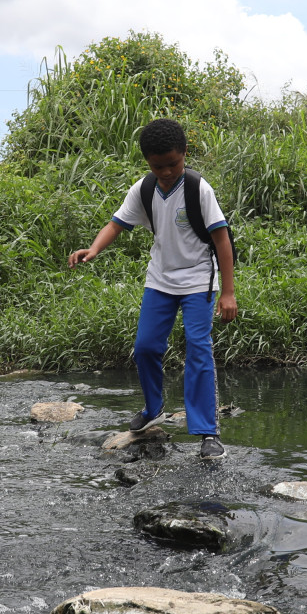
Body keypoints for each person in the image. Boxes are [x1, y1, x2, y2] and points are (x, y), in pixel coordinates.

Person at [67, 118, 238, 460]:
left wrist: (228, 292)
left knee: (198, 349)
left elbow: (221, 239)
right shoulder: (143, 189)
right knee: (145, 347)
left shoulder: (198, 189)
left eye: (173, 164)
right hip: (160, 280)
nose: (167, 172)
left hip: (197, 280)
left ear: (184, 155)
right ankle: (153, 407)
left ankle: (207, 433)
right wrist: (94, 249)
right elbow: (116, 223)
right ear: (147, 161)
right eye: (158, 166)